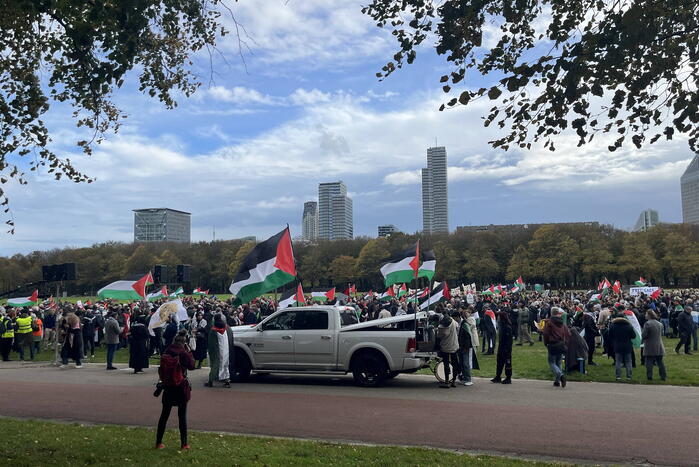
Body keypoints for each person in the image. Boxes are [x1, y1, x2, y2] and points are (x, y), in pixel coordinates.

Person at [155, 330, 195, 450]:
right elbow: (192, 366)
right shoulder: (183, 353)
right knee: (182, 416)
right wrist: (189, 352)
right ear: (184, 342)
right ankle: (184, 444)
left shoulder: (167, 351)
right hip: (180, 386)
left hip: (168, 386)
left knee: (164, 415)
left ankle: (158, 442)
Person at [543, 307, 571, 388]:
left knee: (552, 362)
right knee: (558, 362)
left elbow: (545, 334)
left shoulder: (549, 322)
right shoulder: (562, 322)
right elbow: (568, 333)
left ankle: (560, 375)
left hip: (553, 343)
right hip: (561, 343)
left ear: (551, 313)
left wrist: (546, 343)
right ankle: (557, 381)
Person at [205, 314, 235, 388]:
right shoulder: (227, 328)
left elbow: (211, 343)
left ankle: (210, 381)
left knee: (215, 365)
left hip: (216, 351)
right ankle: (227, 381)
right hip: (226, 350)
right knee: (225, 365)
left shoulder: (213, 330)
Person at [608, 312, 636, 381]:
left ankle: (618, 376)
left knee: (618, 361)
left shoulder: (613, 325)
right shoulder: (629, 326)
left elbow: (609, 335)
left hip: (617, 345)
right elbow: (633, 336)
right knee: (628, 361)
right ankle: (629, 376)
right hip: (627, 345)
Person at [641, 310, 666, 381]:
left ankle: (649, 376)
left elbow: (644, 335)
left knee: (649, 362)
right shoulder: (659, 323)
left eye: (646, 314)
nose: (645, 315)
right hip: (659, 344)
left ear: (649, 315)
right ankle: (663, 376)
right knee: (660, 362)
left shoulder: (647, 324)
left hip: (650, 345)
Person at [436, 314, 460, 388]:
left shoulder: (441, 327)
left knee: (446, 364)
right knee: (455, 363)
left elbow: (439, 336)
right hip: (454, 345)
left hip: (445, 347)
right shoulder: (454, 322)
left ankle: (446, 381)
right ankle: (453, 381)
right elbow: (457, 329)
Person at [458, 308, 479, 386]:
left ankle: (468, 378)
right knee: (464, 362)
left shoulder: (468, 322)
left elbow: (468, 333)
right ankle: (465, 377)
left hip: (468, 345)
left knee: (467, 362)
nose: (466, 314)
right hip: (465, 345)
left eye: (467, 313)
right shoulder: (465, 322)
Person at [491, 311, 513, 384]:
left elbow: (509, 341)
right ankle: (498, 376)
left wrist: (507, 349)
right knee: (499, 362)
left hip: (506, 348)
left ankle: (508, 377)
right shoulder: (502, 326)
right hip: (501, 347)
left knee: (507, 363)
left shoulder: (507, 327)